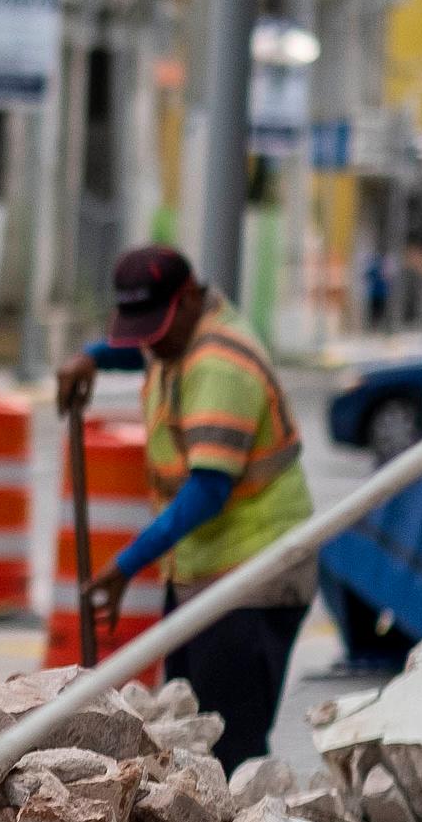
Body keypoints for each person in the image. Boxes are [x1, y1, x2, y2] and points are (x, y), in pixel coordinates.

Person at [54, 246, 313, 772]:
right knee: (187, 737)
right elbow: (144, 350)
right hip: (205, 572)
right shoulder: (178, 338)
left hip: (252, 575)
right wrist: (95, 356)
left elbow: (208, 491)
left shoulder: (218, 365)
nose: (152, 341)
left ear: (191, 298)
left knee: (228, 752)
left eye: (159, 327)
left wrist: (127, 566)